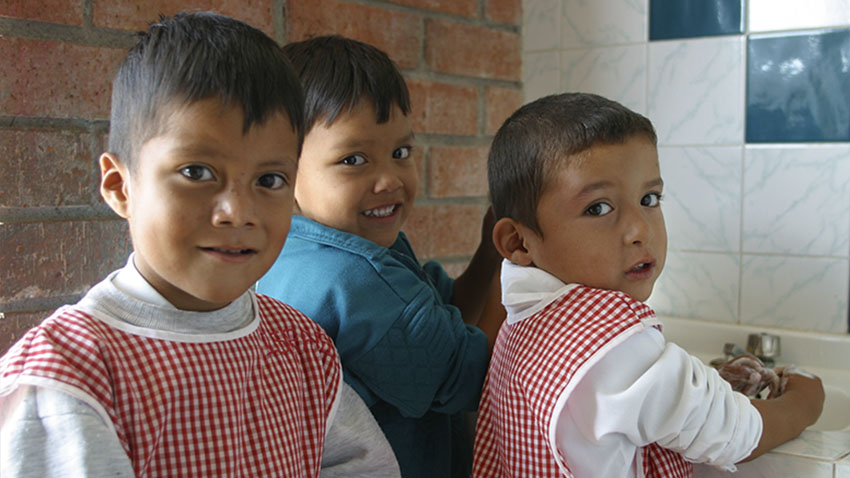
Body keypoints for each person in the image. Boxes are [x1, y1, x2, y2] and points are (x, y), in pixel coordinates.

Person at [0, 13, 399, 478]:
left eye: (269, 179)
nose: (237, 210)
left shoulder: (301, 347)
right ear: (120, 186)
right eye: (196, 172)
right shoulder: (71, 376)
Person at [472, 92, 825, 477]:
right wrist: (804, 401)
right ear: (518, 243)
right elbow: (734, 434)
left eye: (649, 198)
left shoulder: (525, 325)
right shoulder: (610, 340)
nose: (640, 229)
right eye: (598, 208)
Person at [257, 35, 505, 478]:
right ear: (284, 170)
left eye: (400, 152)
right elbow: (481, 378)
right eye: (354, 159)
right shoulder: (358, 279)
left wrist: (489, 254)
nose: (389, 179)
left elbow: (450, 315)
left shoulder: (290, 248)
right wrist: (519, 263)